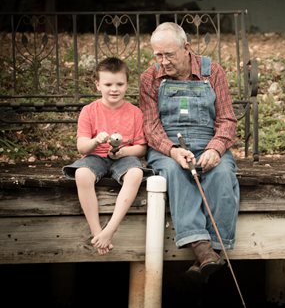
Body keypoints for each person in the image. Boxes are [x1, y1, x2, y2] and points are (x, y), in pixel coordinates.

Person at [140, 22, 240, 281]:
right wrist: (172, 151)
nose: (163, 62)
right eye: (158, 55)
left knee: (222, 174)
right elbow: (150, 127)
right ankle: (202, 249)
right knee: (174, 172)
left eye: (169, 54)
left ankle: (212, 253)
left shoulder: (212, 72)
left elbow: (227, 119)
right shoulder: (150, 78)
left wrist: (216, 150)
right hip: (168, 148)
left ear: (187, 48)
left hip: (208, 142)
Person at [63, 57, 153, 255]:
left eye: (120, 84)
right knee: (82, 175)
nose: (114, 89)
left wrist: (124, 151)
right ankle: (98, 233)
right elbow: (82, 147)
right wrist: (96, 141)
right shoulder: (89, 111)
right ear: (98, 85)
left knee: (136, 174)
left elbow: (141, 148)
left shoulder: (135, 113)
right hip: (95, 156)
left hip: (123, 157)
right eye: (108, 84)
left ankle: (111, 228)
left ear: (127, 84)